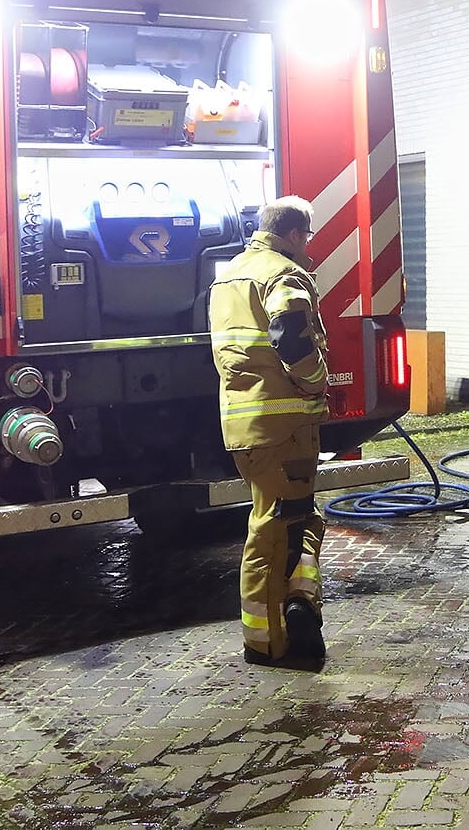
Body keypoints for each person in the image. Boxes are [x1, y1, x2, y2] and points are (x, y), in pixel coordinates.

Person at [209, 196, 331, 670]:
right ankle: (272, 643)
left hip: (246, 424)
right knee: (281, 529)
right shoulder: (283, 274)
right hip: (286, 428)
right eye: (308, 239)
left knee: (291, 521)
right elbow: (292, 337)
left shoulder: (229, 275)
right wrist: (318, 380)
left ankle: (295, 611)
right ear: (297, 235)